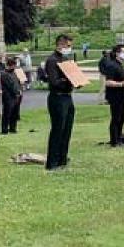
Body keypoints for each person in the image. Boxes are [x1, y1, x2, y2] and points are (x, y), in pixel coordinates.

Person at [44, 33, 78, 171]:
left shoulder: (65, 59)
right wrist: (67, 80)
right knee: (58, 130)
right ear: (60, 44)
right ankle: (52, 162)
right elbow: (54, 81)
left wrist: (76, 80)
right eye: (68, 45)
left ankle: (62, 159)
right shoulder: (52, 60)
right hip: (57, 97)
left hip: (67, 97)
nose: (69, 48)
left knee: (67, 130)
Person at [99, 43, 124, 147]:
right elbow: (108, 82)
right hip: (115, 96)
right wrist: (121, 84)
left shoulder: (120, 65)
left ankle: (119, 137)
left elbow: (121, 79)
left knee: (122, 117)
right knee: (116, 118)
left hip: (121, 95)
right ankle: (114, 141)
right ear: (117, 53)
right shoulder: (112, 65)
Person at [0, 55, 23, 134]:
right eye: (13, 65)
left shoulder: (14, 73)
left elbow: (17, 83)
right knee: (7, 113)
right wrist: (17, 91)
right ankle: (4, 129)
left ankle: (13, 128)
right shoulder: (4, 74)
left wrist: (19, 90)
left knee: (14, 113)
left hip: (16, 96)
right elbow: (10, 85)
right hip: (8, 97)